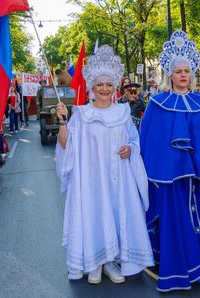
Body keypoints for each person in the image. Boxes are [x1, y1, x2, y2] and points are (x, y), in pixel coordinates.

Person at [55, 45, 154, 285]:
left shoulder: (122, 112)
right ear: (92, 87)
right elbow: (67, 145)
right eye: (100, 84)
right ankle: (95, 262)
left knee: (116, 214)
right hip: (90, 180)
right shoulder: (81, 114)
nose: (104, 89)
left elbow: (133, 140)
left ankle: (112, 261)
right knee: (94, 214)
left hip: (119, 179)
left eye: (109, 85)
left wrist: (129, 149)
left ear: (114, 87)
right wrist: (62, 121)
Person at [140, 31, 200, 292]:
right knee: (176, 220)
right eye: (178, 70)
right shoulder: (157, 103)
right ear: (169, 74)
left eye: (186, 71)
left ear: (191, 74)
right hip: (169, 178)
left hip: (198, 177)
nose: (183, 75)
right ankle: (178, 268)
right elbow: (149, 140)